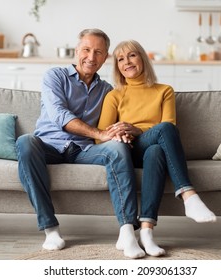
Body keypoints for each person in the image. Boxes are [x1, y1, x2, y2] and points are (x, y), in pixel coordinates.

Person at [16, 29, 145, 259]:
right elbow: (60, 116)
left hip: (84, 150)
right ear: (77, 51)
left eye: (98, 52)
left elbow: (117, 121)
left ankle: (127, 231)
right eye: (86, 50)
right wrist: (100, 132)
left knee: (118, 148)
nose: (91, 57)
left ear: (105, 58)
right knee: (25, 142)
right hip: (48, 146)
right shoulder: (54, 76)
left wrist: (122, 132)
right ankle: (50, 229)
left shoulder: (107, 91)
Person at [97, 40, 216, 257]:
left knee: (157, 148)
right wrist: (121, 134)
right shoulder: (114, 95)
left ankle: (146, 232)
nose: (127, 62)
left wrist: (135, 129)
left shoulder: (164, 91)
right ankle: (188, 195)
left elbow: (168, 127)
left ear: (142, 58)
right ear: (117, 67)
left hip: (151, 147)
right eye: (120, 59)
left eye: (132, 56)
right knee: (162, 131)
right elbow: (100, 138)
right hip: (128, 152)